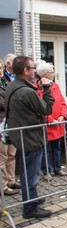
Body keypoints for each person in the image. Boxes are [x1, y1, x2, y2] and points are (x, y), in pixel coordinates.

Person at [5, 55, 54, 219]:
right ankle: (30, 208)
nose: (34, 71)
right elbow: (46, 109)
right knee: (31, 174)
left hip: (21, 136)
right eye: (32, 68)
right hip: (31, 137)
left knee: (27, 172)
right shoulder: (26, 91)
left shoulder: (12, 86)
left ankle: (31, 199)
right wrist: (47, 89)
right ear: (26, 70)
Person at [34, 63, 67, 181]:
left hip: (58, 124)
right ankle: (46, 171)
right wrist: (50, 119)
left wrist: (62, 116)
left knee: (57, 147)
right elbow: (39, 107)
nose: (54, 73)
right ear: (46, 74)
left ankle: (57, 168)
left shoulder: (56, 86)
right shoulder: (37, 88)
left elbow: (62, 102)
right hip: (47, 125)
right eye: (52, 71)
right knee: (46, 149)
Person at [0, 59, 19, 196]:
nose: (0, 71)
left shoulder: (5, 82)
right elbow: (3, 103)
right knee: (2, 156)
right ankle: (3, 185)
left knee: (11, 154)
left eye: (1, 68)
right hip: (1, 125)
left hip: (10, 123)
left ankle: (11, 180)